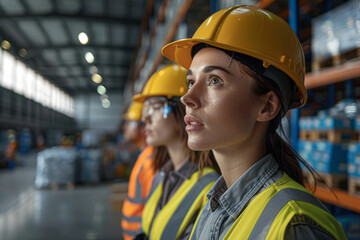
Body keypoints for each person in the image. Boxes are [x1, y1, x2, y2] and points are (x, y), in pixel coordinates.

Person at [162, 5, 347, 240]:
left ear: (267, 106)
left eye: (214, 80)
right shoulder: (212, 209)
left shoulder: (295, 225)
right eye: (190, 82)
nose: (188, 98)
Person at [133, 64, 220, 239]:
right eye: (146, 109)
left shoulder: (208, 186)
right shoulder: (162, 174)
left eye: (155, 107)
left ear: (184, 109)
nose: (145, 118)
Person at [121, 102, 155, 240]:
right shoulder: (144, 156)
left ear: (143, 127)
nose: (125, 127)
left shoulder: (151, 161)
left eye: (130, 122)